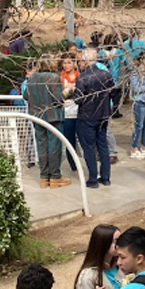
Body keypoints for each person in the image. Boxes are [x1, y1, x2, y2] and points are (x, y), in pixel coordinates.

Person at [25, 55, 70, 189]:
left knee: (41, 147)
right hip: (53, 117)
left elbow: (25, 96)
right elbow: (58, 99)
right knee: (54, 147)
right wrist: (67, 91)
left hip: (37, 116)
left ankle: (44, 177)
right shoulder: (53, 77)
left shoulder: (32, 78)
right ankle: (55, 177)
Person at [74, 48, 115, 188]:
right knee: (103, 145)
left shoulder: (83, 77)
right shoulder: (106, 75)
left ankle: (92, 179)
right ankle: (105, 177)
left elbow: (78, 99)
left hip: (87, 115)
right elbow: (114, 91)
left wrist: (70, 92)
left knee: (89, 148)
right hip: (102, 114)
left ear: (85, 61)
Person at [59, 55, 80, 174]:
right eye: (64, 63)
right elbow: (60, 96)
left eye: (69, 63)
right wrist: (67, 91)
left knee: (82, 139)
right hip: (66, 112)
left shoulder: (79, 76)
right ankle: (73, 165)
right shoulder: (60, 78)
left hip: (79, 111)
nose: (66, 65)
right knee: (69, 140)